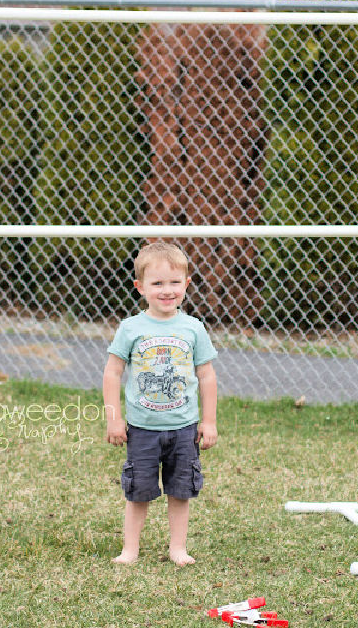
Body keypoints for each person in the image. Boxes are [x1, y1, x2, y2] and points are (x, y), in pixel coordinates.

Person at [103, 242, 218, 566]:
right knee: (138, 491)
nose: (166, 291)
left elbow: (207, 376)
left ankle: (177, 548)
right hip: (142, 429)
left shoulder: (193, 328)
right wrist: (114, 419)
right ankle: (130, 550)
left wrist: (208, 422)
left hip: (183, 429)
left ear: (186, 284)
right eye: (157, 283)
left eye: (174, 283)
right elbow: (112, 373)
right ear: (140, 287)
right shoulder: (131, 328)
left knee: (181, 490)